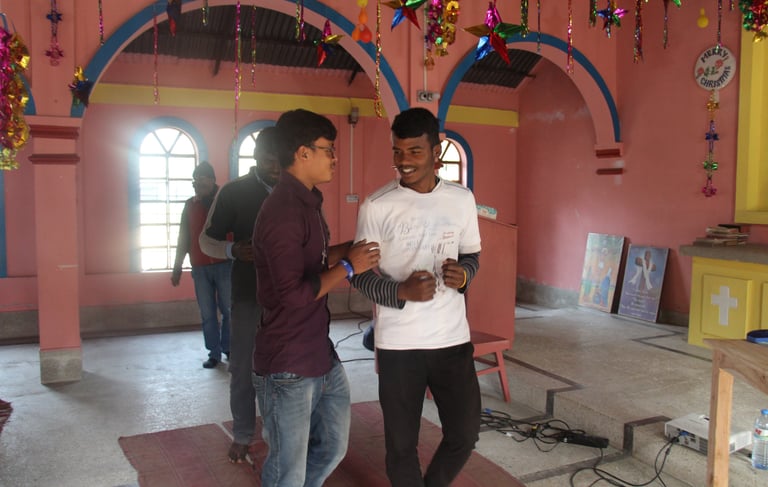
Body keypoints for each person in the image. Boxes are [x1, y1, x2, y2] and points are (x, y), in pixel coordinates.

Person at [350, 107, 482, 487]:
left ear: (436, 151)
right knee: (401, 447)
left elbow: (472, 253)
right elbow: (359, 276)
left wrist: (464, 274)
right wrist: (400, 292)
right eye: (397, 152)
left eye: (414, 152)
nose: (403, 162)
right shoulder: (377, 206)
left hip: (452, 341)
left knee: (464, 434)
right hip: (399, 347)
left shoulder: (461, 199)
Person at [251, 109, 380, 487]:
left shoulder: (307, 202)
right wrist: (351, 267)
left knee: (332, 447)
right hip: (287, 363)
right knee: (287, 466)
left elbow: (318, 259)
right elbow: (293, 295)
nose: (335, 158)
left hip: (318, 353)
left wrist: (358, 250)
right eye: (328, 150)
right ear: (303, 153)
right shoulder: (282, 213)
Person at [198, 128, 280, 463]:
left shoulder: (300, 189)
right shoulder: (234, 193)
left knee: (287, 369)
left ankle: (283, 430)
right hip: (248, 294)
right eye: (267, 159)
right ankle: (245, 433)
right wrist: (233, 250)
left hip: (292, 297)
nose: (275, 166)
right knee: (244, 368)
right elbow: (206, 240)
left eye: (280, 159)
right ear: (256, 158)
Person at [171, 161, 232, 369]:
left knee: (229, 310)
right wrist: (177, 267)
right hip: (200, 267)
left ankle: (229, 348)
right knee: (207, 313)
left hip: (225, 264)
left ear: (212, 181)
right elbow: (183, 237)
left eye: (202, 180)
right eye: (195, 180)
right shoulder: (190, 205)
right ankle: (213, 353)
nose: (197, 184)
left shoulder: (224, 202)